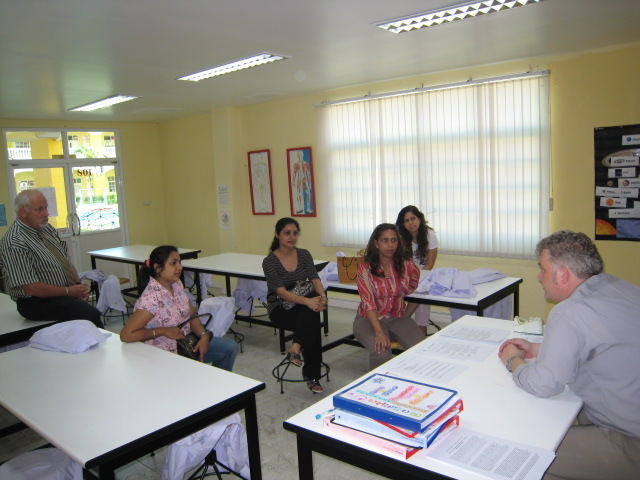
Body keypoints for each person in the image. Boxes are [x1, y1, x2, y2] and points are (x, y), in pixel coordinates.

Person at [497, 231, 640, 480]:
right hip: (624, 412)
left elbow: (542, 385)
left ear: (562, 274)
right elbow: (600, 345)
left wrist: (512, 359)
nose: (539, 276)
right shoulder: (618, 286)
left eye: (542, 269)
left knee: (522, 452)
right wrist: (539, 349)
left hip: (630, 439)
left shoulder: (570, 312)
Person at [120, 246, 238, 371]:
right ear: (157, 268)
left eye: (179, 262)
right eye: (173, 263)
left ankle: (220, 385)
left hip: (187, 344)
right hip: (165, 355)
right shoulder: (151, 300)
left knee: (230, 347)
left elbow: (191, 314)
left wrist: (203, 336)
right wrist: (163, 331)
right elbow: (126, 335)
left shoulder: (176, 285)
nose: (179, 267)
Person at [0, 189, 102, 327]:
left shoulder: (47, 229)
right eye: (39, 209)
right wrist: (68, 291)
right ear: (23, 212)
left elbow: (65, 260)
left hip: (63, 295)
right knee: (90, 314)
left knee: (85, 316)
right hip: (35, 302)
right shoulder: (14, 242)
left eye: (46, 207)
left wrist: (77, 286)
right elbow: (30, 288)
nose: (46, 213)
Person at [262, 218, 327, 394]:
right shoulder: (269, 261)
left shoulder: (304, 254)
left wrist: (322, 297)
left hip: (303, 305)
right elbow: (281, 292)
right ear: (277, 235)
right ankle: (312, 376)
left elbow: (314, 278)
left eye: (295, 233)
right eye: (287, 233)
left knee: (311, 314)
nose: (292, 237)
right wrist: (310, 302)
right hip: (280, 308)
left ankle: (296, 346)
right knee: (311, 318)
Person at [353, 223, 423, 370]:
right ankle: (379, 387)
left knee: (422, 349)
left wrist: (405, 316)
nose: (390, 245)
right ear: (376, 243)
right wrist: (379, 333)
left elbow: (416, 290)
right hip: (368, 319)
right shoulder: (365, 268)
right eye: (385, 240)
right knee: (381, 353)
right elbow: (368, 303)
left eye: (394, 240)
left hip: (397, 317)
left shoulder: (408, 265)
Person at [396, 205, 439, 335]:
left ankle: (402, 322)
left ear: (419, 219)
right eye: (406, 220)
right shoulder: (400, 237)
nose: (411, 223)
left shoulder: (429, 235)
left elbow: (429, 265)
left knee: (421, 293)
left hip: (423, 275)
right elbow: (398, 262)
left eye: (413, 218)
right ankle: (400, 323)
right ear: (403, 224)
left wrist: (415, 279)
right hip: (404, 275)